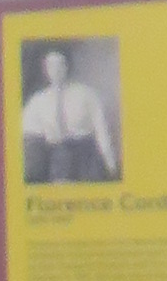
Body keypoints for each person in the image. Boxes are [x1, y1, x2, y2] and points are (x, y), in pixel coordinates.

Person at [22, 42, 120, 183]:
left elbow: (102, 131)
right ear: (45, 69)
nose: (55, 70)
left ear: (67, 66)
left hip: (86, 156)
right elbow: (28, 136)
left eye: (60, 64)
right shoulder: (37, 101)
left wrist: (110, 164)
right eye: (50, 65)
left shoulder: (86, 94)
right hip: (58, 158)